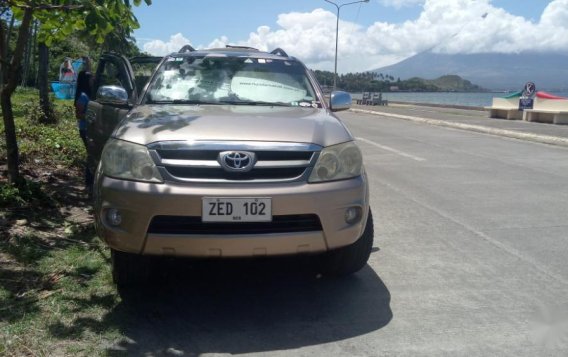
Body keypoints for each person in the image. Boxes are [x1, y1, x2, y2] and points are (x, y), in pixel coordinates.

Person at [74, 56, 94, 195]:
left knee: (92, 155)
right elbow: (78, 115)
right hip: (85, 129)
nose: (93, 80)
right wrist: (91, 117)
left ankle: (90, 183)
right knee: (91, 155)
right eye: (91, 79)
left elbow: (87, 72)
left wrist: (88, 64)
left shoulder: (88, 94)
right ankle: (88, 184)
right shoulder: (83, 96)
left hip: (89, 128)